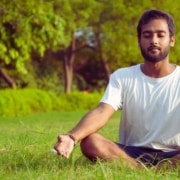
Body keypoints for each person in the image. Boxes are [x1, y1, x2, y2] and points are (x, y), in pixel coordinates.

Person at [54, 9, 180, 169]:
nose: (154, 40)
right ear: (139, 40)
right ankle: (140, 170)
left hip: (173, 153)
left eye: (160, 35)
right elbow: (102, 111)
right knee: (90, 142)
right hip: (130, 153)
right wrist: (71, 138)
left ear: (172, 40)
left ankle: (159, 169)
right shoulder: (122, 76)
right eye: (147, 35)